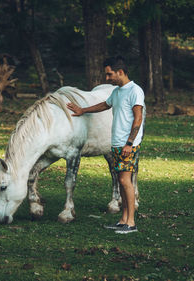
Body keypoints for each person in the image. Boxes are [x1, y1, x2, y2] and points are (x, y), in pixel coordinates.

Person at [66, 56, 145, 234]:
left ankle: (131, 223)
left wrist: (130, 143)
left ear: (121, 72)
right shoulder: (117, 92)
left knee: (126, 181)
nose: (107, 78)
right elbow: (104, 105)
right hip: (116, 143)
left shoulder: (135, 90)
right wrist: (83, 110)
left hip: (127, 145)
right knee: (121, 180)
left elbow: (138, 118)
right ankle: (123, 219)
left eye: (110, 75)